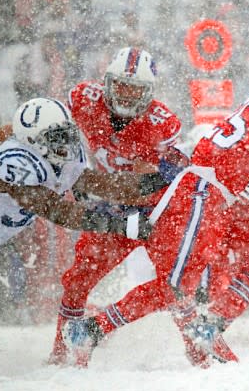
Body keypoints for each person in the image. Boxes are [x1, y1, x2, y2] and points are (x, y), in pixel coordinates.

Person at [49, 54, 249, 368]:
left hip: (223, 193)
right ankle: (93, 329)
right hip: (205, 190)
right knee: (176, 287)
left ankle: (210, 327)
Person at [0, 97, 156, 320]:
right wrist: (116, 225)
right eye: (57, 138)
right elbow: (55, 209)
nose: (66, 145)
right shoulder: (17, 162)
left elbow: (99, 182)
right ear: (33, 141)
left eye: (67, 135)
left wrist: (153, 183)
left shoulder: (52, 152)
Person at [47, 47, 183, 365]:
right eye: (121, 85)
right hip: (114, 208)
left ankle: (196, 347)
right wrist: (75, 171)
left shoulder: (161, 122)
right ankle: (61, 350)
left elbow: (180, 166)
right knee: (78, 279)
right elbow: (59, 130)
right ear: (107, 82)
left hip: (156, 211)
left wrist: (156, 170)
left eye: (134, 88)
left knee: (176, 284)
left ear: (148, 93)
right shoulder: (83, 98)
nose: (125, 94)